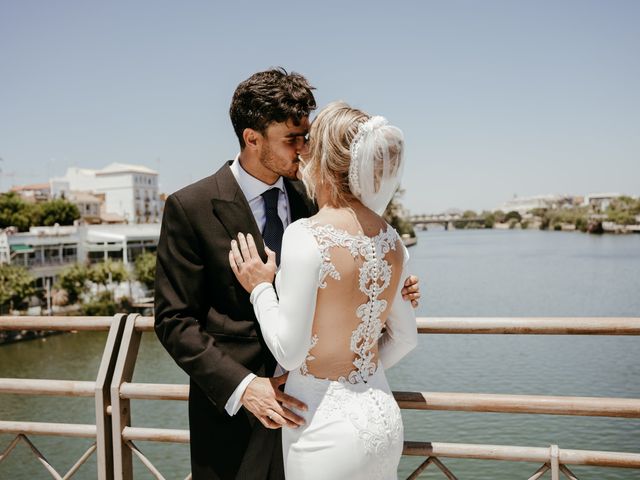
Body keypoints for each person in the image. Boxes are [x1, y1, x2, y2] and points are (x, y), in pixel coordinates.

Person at [155, 69, 420, 480]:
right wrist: (245, 387)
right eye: (291, 139)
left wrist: (392, 285)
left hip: (313, 416)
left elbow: (345, 272)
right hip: (235, 420)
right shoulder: (190, 206)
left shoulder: (315, 201)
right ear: (252, 138)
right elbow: (174, 321)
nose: (304, 151)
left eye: (307, 137)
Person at [229, 101, 418, 479]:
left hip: (323, 428)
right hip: (382, 418)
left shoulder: (306, 235)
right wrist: (359, 371)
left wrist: (261, 288)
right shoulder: (391, 239)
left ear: (326, 159)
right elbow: (406, 338)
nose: (301, 150)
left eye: (309, 142)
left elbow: (290, 350)